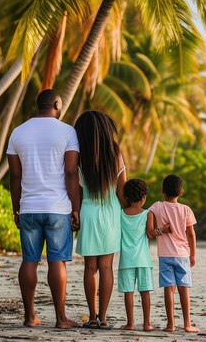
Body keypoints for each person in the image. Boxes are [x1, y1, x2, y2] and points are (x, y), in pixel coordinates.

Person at [7, 89, 80, 329]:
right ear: (57, 104)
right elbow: (71, 173)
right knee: (57, 262)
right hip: (58, 207)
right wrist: (76, 208)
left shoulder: (18, 132)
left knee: (29, 260)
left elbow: (15, 176)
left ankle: (29, 317)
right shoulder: (68, 131)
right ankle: (60, 319)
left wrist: (16, 208)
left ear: (38, 105)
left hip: (29, 207)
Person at [74, 110, 126, 328]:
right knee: (106, 268)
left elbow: (75, 190)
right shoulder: (115, 154)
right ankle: (103, 318)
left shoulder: (79, 156)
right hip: (110, 213)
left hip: (88, 211)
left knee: (90, 268)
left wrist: (74, 212)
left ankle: (92, 316)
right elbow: (122, 193)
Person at [149, 174, 199, 333]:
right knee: (184, 288)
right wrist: (193, 254)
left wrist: (161, 230)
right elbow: (191, 234)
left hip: (165, 255)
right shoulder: (186, 210)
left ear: (162, 191)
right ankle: (187, 324)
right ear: (182, 192)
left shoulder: (156, 207)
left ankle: (170, 325)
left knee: (168, 289)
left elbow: (150, 231)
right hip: (183, 255)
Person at [119, 179, 169, 332]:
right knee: (145, 292)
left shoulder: (120, 214)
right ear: (144, 197)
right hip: (143, 259)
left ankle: (130, 323)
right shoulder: (147, 214)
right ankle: (147, 324)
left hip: (126, 259)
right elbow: (150, 234)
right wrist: (163, 230)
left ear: (127, 197)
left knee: (129, 292)